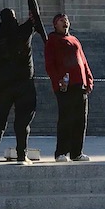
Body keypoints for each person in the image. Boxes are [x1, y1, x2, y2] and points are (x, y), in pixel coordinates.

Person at [0, 0, 43, 165]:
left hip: (5, 84)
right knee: (23, 120)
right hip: (25, 83)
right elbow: (35, 15)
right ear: (14, 18)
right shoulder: (23, 31)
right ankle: (22, 154)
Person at [44, 13, 93, 162]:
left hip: (80, 85)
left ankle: (77, 152)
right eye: (61, 20)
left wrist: (89, 79)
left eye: (66, 20)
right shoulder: (52, 41)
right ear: (55, 24)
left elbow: (83, 61)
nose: (65, 22)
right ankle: (61, 152)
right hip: (65, 86)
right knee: (66, 119)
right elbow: (50, 64)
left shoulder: (74, 39)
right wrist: (58, 80)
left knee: (80, 120)